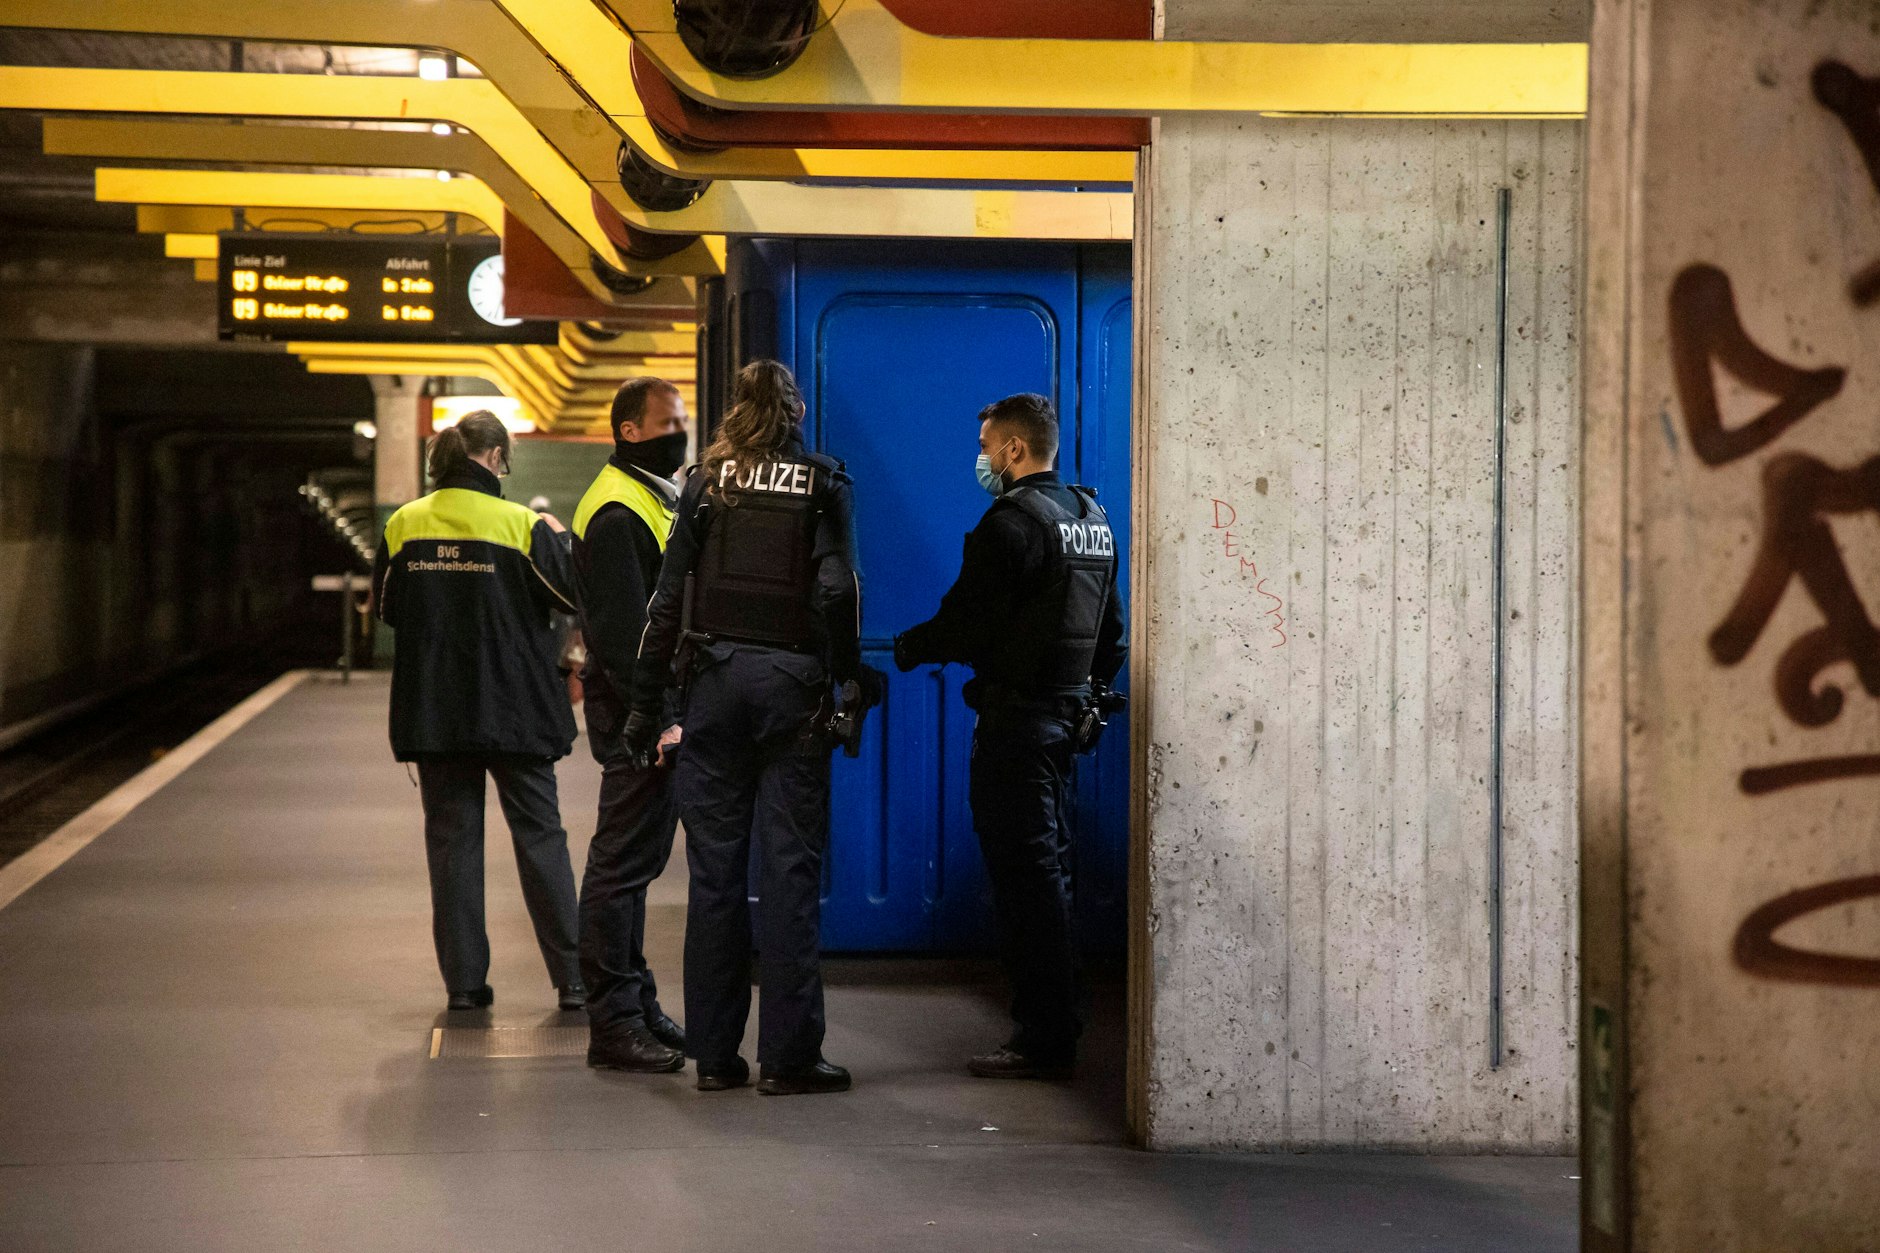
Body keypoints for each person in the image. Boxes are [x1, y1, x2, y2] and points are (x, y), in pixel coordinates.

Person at [627, 359, 862, 1096]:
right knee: (789, 873)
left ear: (736, 411)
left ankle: (716, 1056)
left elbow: (665, 604)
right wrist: (846, 680)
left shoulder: (703, 483)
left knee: (714, 877)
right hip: (792, 691)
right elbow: (837, 587)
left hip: (713, 688)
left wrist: (645, 706)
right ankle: (790, 1058)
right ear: (794, 413)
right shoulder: (824, 482)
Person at [893, 393, 1127, 1080]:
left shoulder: (1011, 523)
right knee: (1047, 870)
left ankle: (1044, 1034)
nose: (986, 461)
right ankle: (1056, 1016)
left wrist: (910, 647)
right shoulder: (1091, 518)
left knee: (1027, 877)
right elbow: (1110, 634)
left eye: (990, 448)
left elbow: (965, 621)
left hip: (1017, 724)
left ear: (1016, 450)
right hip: (1065, 721)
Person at [371, 410, 586, 1013]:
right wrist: (559, 540)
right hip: (516, 708)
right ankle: (573, 979)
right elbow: (572, 596)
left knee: (452, 843)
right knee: (541, 838)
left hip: (436, 709)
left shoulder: (404, 524)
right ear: (494, 459)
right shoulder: (521, 524)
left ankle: (465, 986)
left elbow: (388, 609)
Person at [570, 378, 692, 1073]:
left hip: (648, 714)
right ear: (630, 431)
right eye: (669, 421)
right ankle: (612, 1023)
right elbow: (624, 637)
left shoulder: (650, 495)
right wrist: (664, 721)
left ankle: (635, 1002)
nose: (681, 430)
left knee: (635, 866)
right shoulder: (618, 511)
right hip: (639, 720)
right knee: (618, 869)